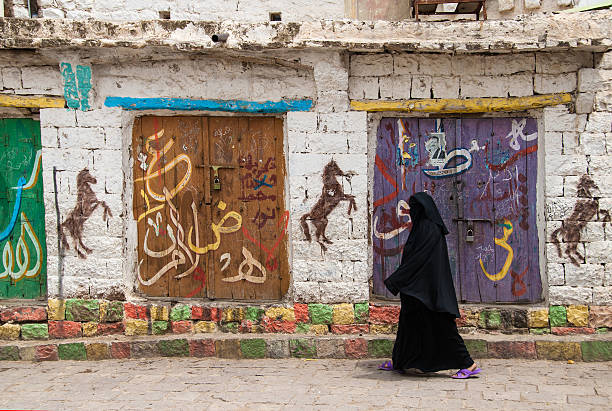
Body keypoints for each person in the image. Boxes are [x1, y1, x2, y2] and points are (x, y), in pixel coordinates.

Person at [378, 192, 481, 379]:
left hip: (430, 291)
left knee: (443, 326)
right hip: (418, 290)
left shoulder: (429, 229)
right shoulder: (423, 227)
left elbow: (418, 260)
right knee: (408, 325)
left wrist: (396, 279)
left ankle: (468, 364)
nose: (412, 213)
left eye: (414, 208)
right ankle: (400, 360)